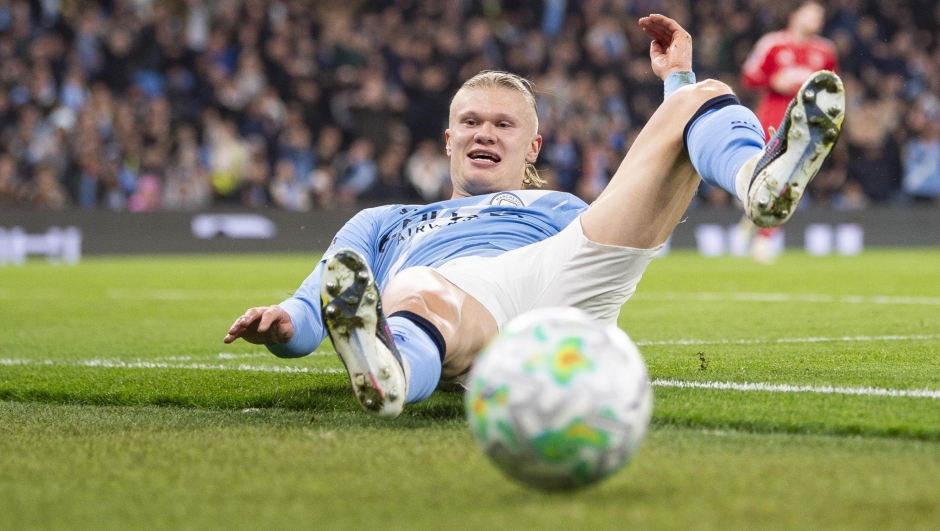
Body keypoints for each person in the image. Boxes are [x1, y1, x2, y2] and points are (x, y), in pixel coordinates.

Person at [224, 14, 845, 419]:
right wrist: (283, 326)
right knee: (419, 288)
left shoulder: (557, 206)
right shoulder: (385, 219)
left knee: (702, 94)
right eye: (470, 122)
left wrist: (674, 79)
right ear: (447, 140)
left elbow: (647, 199)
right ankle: (392, 370)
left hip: (567, 278)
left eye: (503, 124)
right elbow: (318, 306)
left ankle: (754, 181)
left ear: (533, 147)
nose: (484, 134)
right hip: (461, 301)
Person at [741, 2, 839, 263]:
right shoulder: (772, 44)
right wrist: (773, 81)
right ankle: (753, 214)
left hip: (806, 127)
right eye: (812, 13)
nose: (818, 19)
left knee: (790, 180)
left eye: (821, 15)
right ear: (795, 16)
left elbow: (833, 89)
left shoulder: (825, 50)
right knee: (766, 176)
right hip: (772, 119)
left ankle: (764, 238)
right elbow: (749, 76)